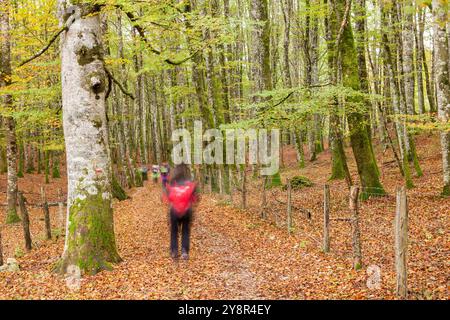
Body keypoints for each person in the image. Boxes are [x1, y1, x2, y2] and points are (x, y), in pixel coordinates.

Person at [162, 164, 199, 260]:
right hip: (187, 210)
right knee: (185, 231)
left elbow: (166, 199)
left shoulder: (172, 183)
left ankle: (174, 251)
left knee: (174, 231)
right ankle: (184, 251)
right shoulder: (190, 183)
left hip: (174, 211)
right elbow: (195, 199)